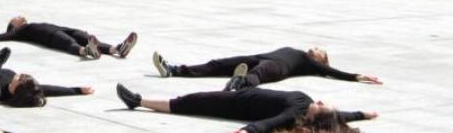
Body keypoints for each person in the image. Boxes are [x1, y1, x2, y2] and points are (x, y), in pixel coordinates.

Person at [115, 82, 378, 133]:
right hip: (247, 94)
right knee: (196, 98)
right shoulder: (310, 106)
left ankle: (138, 101)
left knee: (189, 101)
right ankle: (237, 83)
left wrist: (247, 131)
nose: (318, 101)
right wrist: (363, 114)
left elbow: (268, 125)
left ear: (315, 116)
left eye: (320, 105)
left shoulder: (295, 114)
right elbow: (339, 116)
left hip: (235, 106)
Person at [151, 46, 382, 89]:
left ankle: (241, 84)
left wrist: (357, 76)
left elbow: (333, 73)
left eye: (320, 51)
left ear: (321, 60)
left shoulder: (309, 63)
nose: (315, 48)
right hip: (257, 56)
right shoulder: (300, 52)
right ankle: (174, 70)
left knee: (257, 75)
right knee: (218, 64)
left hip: (276, 66)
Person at [0, 15, 137, 59]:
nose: (20, 15)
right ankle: (87, 52)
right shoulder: (20, 31)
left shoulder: (30, 24)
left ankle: (117, 49)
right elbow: (1, 36)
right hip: (51, 36)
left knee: (85, 37)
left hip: (64, 29)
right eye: (15, 18)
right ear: (13, 26)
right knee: (69, 44)